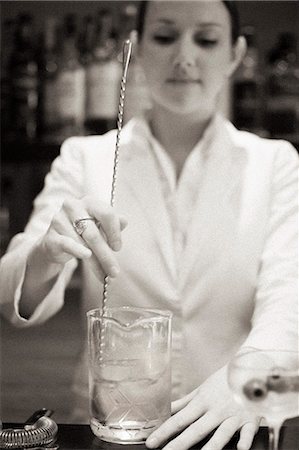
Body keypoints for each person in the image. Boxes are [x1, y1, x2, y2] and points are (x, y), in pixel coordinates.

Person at [0, 1, 298, 449]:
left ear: (235, 55)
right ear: (136, 49)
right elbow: (9, 299)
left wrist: (252, 381)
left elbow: (291, 297)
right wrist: (45, 253)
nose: (184, 56)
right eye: (164, 36)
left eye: (207, 39)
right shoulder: (86, 157)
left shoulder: (275, 163)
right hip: (111, 432)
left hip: (235, 426)